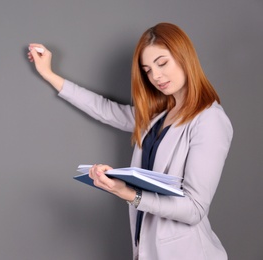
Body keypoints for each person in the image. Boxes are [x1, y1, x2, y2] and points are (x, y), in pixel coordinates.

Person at [27, 22, 233, 260]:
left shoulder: (210, 119)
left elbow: (195, 209)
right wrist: (49, 74)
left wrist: (130, 194)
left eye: (162, 63)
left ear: (184, 56)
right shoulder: (158, 116)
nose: (156, 76)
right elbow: (104, 109)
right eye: (147, 70)